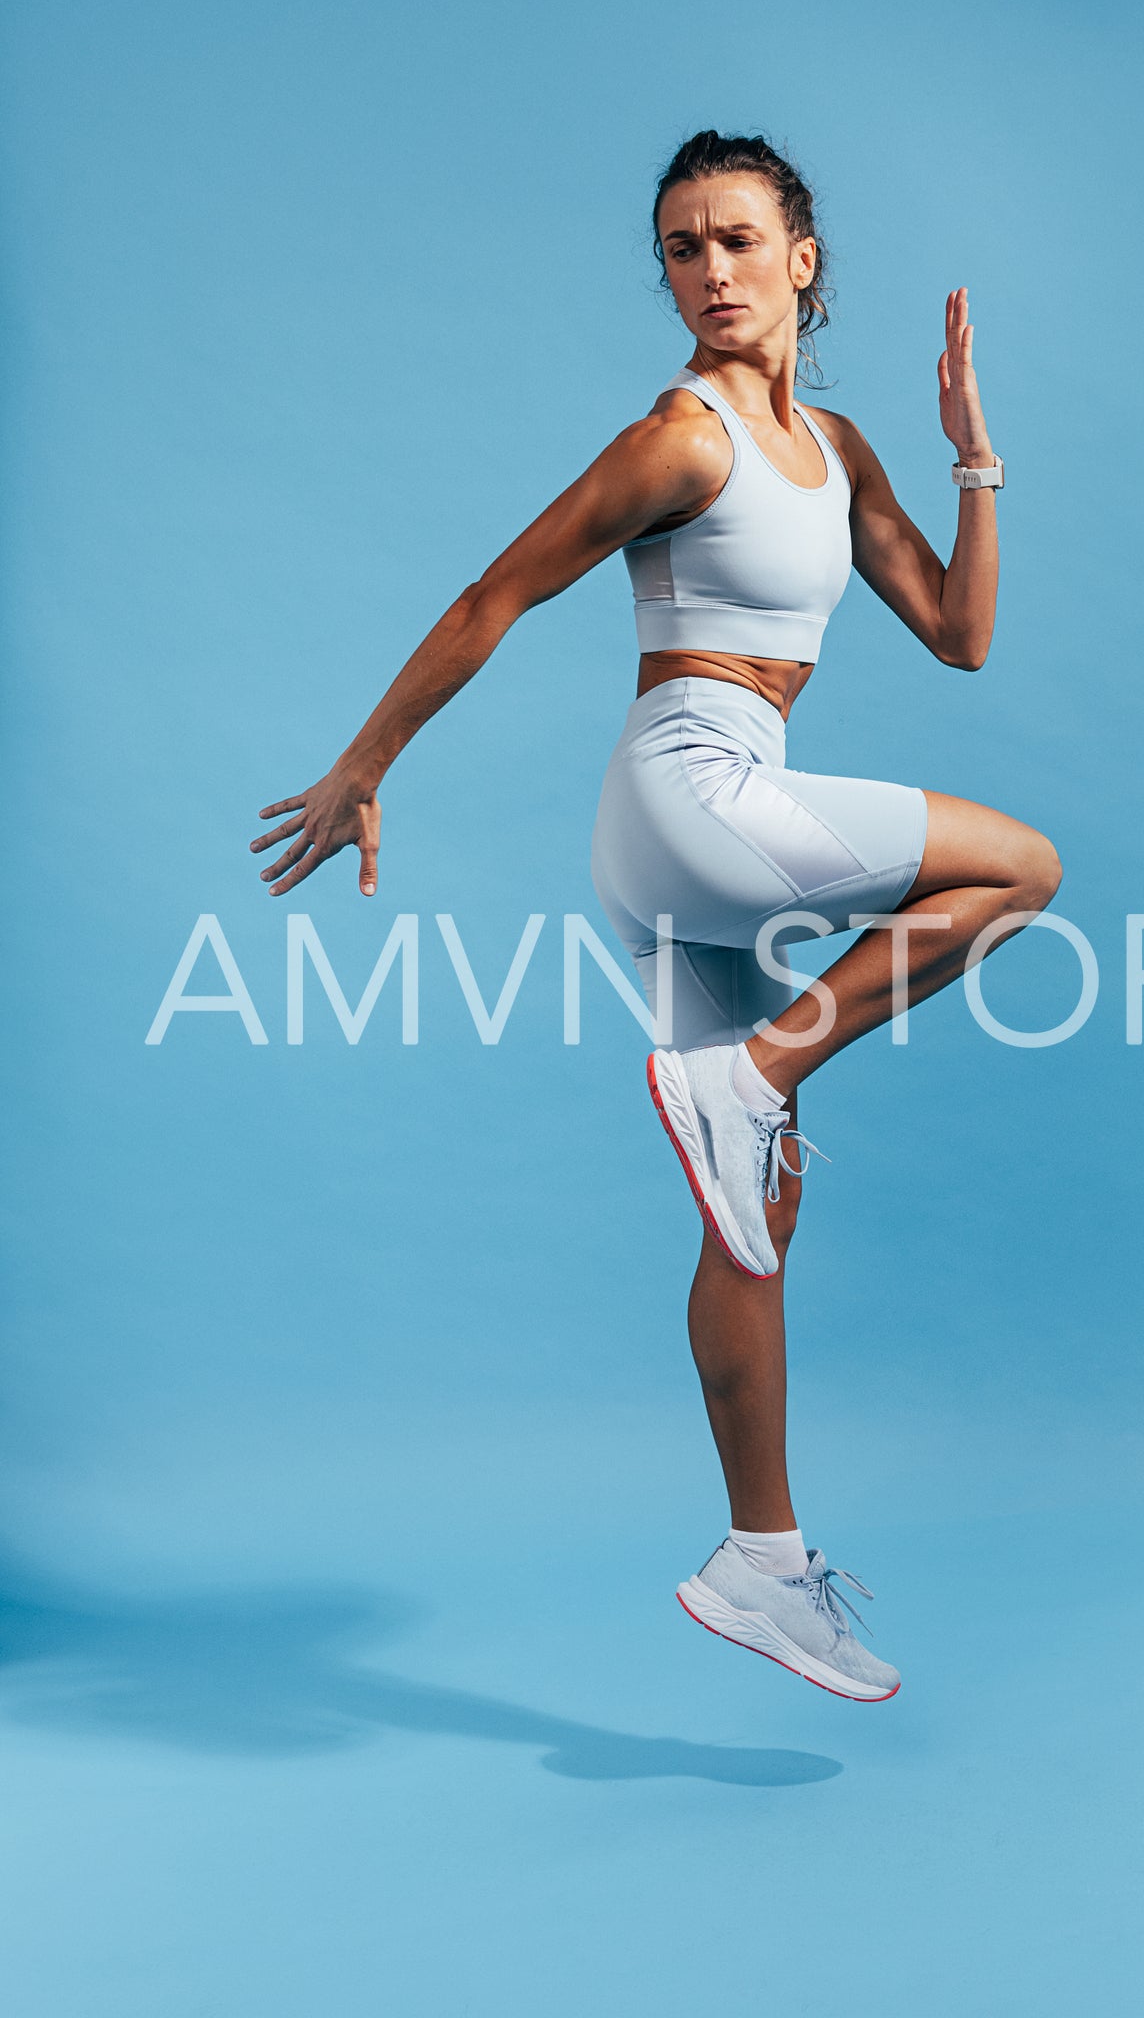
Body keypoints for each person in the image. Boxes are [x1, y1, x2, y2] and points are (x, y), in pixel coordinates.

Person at [250, 130, 1061, 1703]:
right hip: (691, 798)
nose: (711, 273)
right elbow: (499, 592)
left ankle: (758, 1558)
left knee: (751, 1217)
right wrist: (363, 765)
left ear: (801, 257)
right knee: (1020, 869)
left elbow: (959, 637)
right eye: (682, 248)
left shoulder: (837, 450)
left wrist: (973, 454)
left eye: (737, 241)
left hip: (704, 822)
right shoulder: (677, 441)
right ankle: (751, 1077)